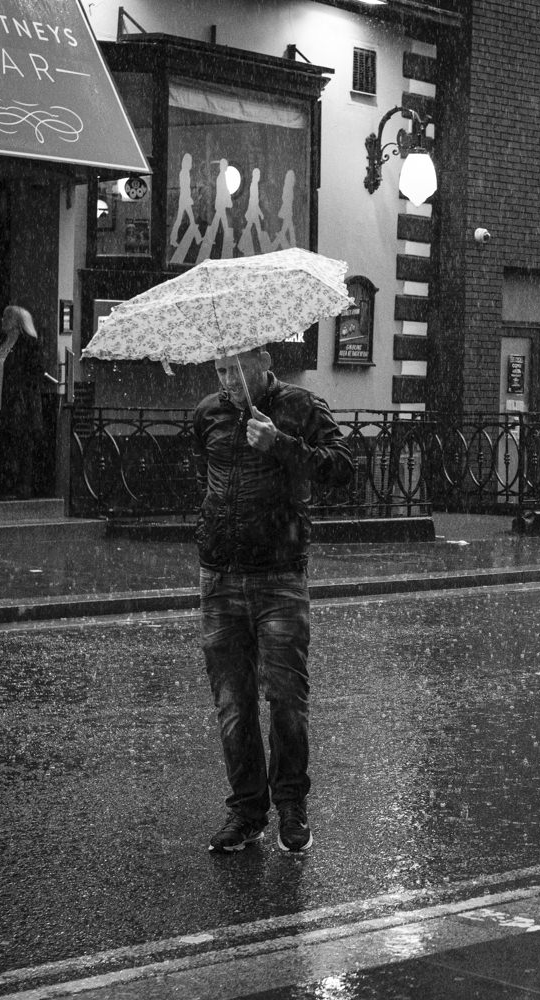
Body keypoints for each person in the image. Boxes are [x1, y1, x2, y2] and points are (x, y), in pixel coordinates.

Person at [191, 348, 353, 853]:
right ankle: (246, 812)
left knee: (286, 700)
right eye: (218, 373)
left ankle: (291, 808)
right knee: (232, 706)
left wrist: (281, 444)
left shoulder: (301, 406)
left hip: (279, 577)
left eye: (233, 371)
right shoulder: (208, 415)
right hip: (219, 578)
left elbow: (344, 467)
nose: (226, 383)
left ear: (261, 361)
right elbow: (206, 478)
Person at [0, 305, 44, 499]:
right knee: (4, 444)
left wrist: (21, 396)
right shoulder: (0, 343)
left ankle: (19, 486)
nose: (2, 320)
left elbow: (33, 374)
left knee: (19, 445)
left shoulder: (29, 345)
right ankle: (6, 483)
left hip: (18, 403)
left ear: (16, 322)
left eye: (6, 317)